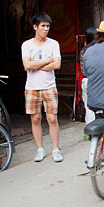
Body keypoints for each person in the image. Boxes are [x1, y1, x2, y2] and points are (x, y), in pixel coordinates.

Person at [21, 12, 62, 162]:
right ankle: (40, 149)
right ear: (35, 27)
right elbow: (27, 65)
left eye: (48, 26)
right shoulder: (27, 45)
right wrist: (47, 61)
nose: (46, 29)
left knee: (52, 118)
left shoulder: (53, 44)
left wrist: (36, 65)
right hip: (32, 87)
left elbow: (57, 65)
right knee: (36, 118)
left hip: (49, 86)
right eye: (43, 26)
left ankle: (56, 148)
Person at [80, 27, 97, 124]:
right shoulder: (96, 50)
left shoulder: (83, 50)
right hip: (96, 81)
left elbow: (83, 69)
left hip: (86, 81)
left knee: (88, 108)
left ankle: (91, 131)